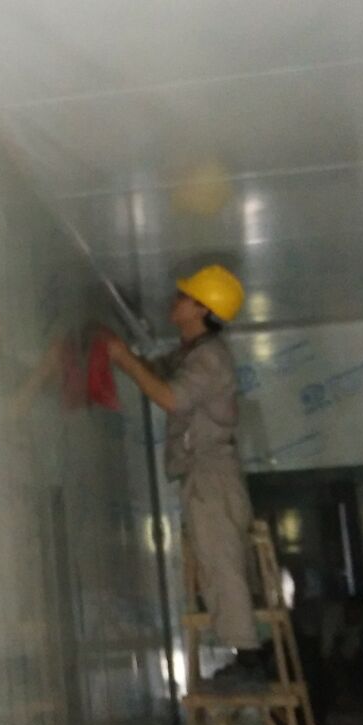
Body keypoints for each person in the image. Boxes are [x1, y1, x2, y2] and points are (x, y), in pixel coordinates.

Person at [105, 265, 264, 691]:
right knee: (216, 563)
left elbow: (171, 397)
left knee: (221, 563)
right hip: (205, 473)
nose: (175, 301)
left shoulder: (210, 358)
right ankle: (246, 656)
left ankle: (249, 662)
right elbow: (157, 374)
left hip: (211, 474)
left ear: (202, 310)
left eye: (184, 297)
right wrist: (120, 356)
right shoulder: (193, 353)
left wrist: (123, 358)